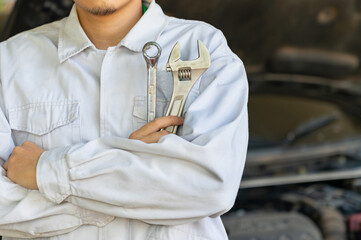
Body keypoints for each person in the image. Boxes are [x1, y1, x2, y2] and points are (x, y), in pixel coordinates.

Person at [0, 0, 248, 239]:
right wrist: (128, 184)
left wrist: (46, 172)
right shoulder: (8, 62)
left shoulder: (203, 46)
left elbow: (211, 185)